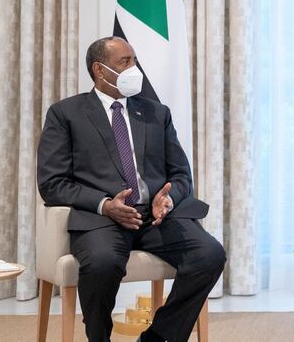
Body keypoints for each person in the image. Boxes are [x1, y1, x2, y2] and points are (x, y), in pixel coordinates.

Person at [38, 37, 226, 342]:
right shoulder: (65, 114)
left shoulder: (156, 113)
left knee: (210, 254)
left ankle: (158, 337)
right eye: (124, 62)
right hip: (102, 219)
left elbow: (181, 175)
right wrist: (104, 204)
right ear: (99, 70)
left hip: (155, 218)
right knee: (102, 264)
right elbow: (52, 183)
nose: (133, 68)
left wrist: (166, 199)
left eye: (134, 60)